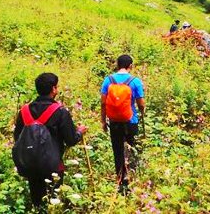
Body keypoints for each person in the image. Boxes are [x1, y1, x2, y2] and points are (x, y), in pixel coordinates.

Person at [14, 73, 88, 208]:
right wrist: (79, 132)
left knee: (37, 203)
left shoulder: (24, 111)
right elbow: (71, 140)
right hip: (53, 166)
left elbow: (17, 138)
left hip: (30, 165)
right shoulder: (60, 112)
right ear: (54, 89)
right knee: (53, 203)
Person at [100, 54, 145, 194]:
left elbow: (103, 103)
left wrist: (103, 121)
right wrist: (142, 113)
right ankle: (133, 177)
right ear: (130, 66)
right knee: (132, 149)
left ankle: (121, 181)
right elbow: (141, 104)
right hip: (131, 121)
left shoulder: (108, 80)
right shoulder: (135, 81)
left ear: (117, 64)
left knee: (118, 150)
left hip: (114, 122)